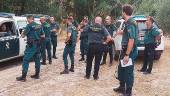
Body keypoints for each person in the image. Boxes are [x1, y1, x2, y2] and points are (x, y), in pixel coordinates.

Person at [113, 4, 138, 96]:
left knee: (128, 71)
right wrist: (121, 32)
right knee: (121, 69)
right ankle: (122, 87)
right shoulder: (128, 22)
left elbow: (131, 40)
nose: (121, 13)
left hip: (129, 51)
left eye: (122, 11)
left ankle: (128, 91)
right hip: (125, 50)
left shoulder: (131, 22)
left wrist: (127, 55)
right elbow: (129, 33)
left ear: (124, 12)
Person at [16, 15, 45, 81]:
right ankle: (37, 75)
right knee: (37, 60)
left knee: (26, 60)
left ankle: (23, 77)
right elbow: (43, 36)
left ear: (30, 19)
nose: (27, 21)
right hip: (38, 45)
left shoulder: (29, 26)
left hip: (31, 46)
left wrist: (22, 32)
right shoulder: (39, 25)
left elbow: (23, 36)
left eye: (27, 19)